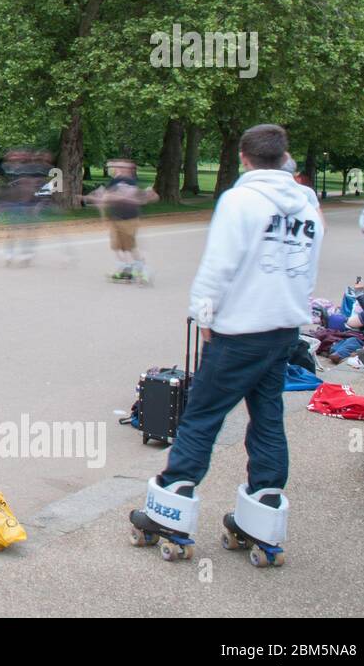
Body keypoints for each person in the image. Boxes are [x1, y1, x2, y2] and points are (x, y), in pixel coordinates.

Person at [128, 124, 323, 561]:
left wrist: (203, 313)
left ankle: (172, 503)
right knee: (268, 418)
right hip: (282, 328)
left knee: (202, 416)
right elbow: (307, 268)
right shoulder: (308, 205)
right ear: (284, 156)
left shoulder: (240, 201)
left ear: (243, 158)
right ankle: (264, 504)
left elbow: (219, 263)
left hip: (239, 330)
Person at [84, 159, 158, 283]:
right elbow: (107, 197)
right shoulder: (115, 180)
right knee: (116, 246)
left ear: (126, 169)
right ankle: (125, 268)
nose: (114, 169)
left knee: (130, 247)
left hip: (129, 218)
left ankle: (144, 269)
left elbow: (121, 196)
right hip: (116, 218)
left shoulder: (128, 181)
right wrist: (100, 201)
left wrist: (106, 197)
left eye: (118, 167)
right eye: (115, 167)